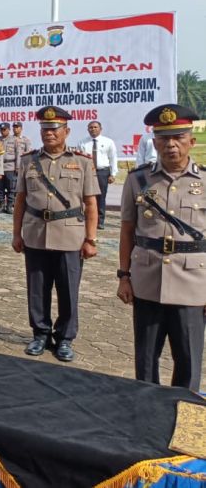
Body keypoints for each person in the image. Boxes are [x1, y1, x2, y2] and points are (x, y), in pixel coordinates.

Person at [116, 104, 205, 391]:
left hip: (193, 283)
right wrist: (124, 276)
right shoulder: (138, 179)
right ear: (154, 143)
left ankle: (185, 412)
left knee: (188, 359)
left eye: (178, 137)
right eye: (164, 138)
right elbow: (128, 230)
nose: (171, 145)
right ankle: (145, 410)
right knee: (145, 359)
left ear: (191, 141)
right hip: (147, 280)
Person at [12, 106, 99, 363]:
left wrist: (90, 239)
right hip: (36, 233)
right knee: (37, 289)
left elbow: (90, 203)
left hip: (70, 235)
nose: (48, 133)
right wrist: (16, 234)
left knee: (68, 290)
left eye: (54, 129)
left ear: (66, 131)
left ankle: (64, 338)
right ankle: (40, 333)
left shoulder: (82, 162)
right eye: (44, 129)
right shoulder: (29, 160)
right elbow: (20, 200)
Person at [78, 121, 118, 230]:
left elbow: (113, 158)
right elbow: (79, 160)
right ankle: (87, 219)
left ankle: (100, 221)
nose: (93, 129)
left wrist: (113, 174)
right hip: (88, 172)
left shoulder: (108, 142)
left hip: (102, 172)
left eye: (95, 127)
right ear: (88, 129)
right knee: (86, 196)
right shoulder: (82, 143)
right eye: (90, 127)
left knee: (101, 197)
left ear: (100, 129)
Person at [0, 122, 20, 214]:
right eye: (1, 129)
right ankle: (1, 205)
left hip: (10, 167)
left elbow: (18, 154)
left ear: (9, 130)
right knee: (0, 188)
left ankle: (9, 206)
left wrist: (17, 167)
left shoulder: (14, 140)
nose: (2, 131)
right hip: (0, 168)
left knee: (11, 188)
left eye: (4, 129)